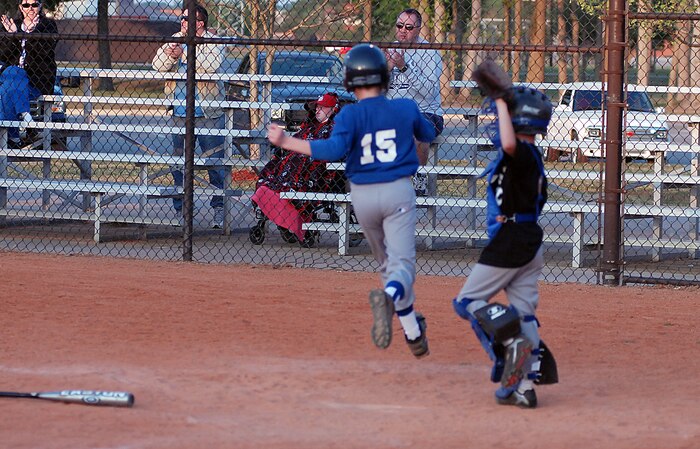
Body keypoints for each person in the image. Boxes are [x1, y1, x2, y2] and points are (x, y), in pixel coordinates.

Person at [267, 44, 436, 358]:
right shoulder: (405, 107)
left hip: (362, 196)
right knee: (402, 269)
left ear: (349, 82)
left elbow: (331, 151)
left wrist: (286, 140)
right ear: (385, 77)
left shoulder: (349, 114)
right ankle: (389, 298)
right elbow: (427, 132)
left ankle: (413, 332)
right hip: (397, 190)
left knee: (388, 267)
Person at [451, 82, 557, 408]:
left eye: (506, 116)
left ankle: (511, 344)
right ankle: (524, 387)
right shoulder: (530, 157)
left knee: (467, 301)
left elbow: (510, 143)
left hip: (511, 243)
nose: (499, 122)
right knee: (524, 314)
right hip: (528, 241)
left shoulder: (521, 151)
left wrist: (499, 101)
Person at [152, 4, 226, 229]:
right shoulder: (175, 38)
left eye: (186, 19)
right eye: (182, 18)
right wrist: (170, 54)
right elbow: (157, 66)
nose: (182, 22)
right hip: (180, 111)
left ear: (200, 23)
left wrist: (184, 52)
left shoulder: (213, 41)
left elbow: (211, 66)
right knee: (179, 165)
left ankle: (219, 210)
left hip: (208, 112)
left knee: (215, 163)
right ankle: (183, 211)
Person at [252, 92, 344, 244]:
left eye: (323, 107)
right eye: (317, 107)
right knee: (276, 163)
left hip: (317, 172)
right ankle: (278, 193)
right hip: (293, 167)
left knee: (301, 164)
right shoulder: (310, 127)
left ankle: (288, 204)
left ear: (333, 109)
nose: (318, 110)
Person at [384, 8, 444, 194]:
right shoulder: (389, 49)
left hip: (425, 112)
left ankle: (418, 177)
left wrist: (404, 68)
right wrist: (388, 68)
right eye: (399, 25)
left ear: (418, 29)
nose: (403, 30)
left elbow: (428, 92)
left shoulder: (429, 53)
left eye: (408, 27)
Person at [0, 0, 58, 148]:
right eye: (26, 5)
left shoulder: (48, 26)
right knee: (13, 72)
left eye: (34, 4)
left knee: (6, 89)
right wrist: (11, 35)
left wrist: (19, 35)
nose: (30, 8)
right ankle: (26, 118)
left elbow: (43, 52)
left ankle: (13, 137)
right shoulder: (13, 24)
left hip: (35, 81)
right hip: (12, 79)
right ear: (20, 7)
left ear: (40, 6)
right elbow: (3, 54)